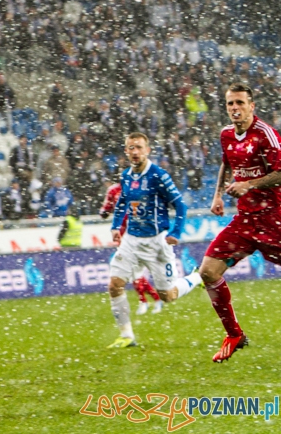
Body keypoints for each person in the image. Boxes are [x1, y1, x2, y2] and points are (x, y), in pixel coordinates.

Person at [200, 84, 281, 362]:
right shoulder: (226, 135)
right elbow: (226, 163)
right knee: (208, 271)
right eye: (230, 104)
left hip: (274, 218)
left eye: (239, 103)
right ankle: (234, 334)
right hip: (245, 221)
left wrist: (250, 184)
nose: (234, 108)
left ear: (251, 106)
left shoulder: (265, 135)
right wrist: (218, 195)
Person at [107, 132, 202, 348]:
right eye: (131, 148)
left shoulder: (158, 175)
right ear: (126, 151)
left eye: (139, 147)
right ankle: (127, 335)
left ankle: (196, 278)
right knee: (114, 285)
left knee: (168, 296)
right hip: (131, 239)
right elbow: (122, 202)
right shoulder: (126, 176)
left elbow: (180, 205)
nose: (135, 152)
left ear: (147, 150)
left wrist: (175, 232)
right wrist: (115, 227)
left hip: (157, 242)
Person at [100, 181, 162, 316]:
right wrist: (105, 212)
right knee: (133, 271)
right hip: (122, 234)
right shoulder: (113, 190)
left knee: (134, 270)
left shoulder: (140, 188)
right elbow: (105, 209)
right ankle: (151, 299)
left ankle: (147, 300)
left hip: (139, 233)